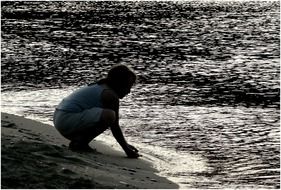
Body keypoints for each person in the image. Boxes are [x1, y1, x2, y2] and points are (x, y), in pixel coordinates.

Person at [53, 64, 140, 158]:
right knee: (109, 115)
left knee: (108, 116)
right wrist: (126, 150)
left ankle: (80, 141)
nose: (129, 91)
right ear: (119, 83)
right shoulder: (109, 95)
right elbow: (114, 126)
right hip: (67, 119)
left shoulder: (100, 86)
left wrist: (126, 145)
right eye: (128, 86)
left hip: (60, 118)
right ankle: (80, 143)